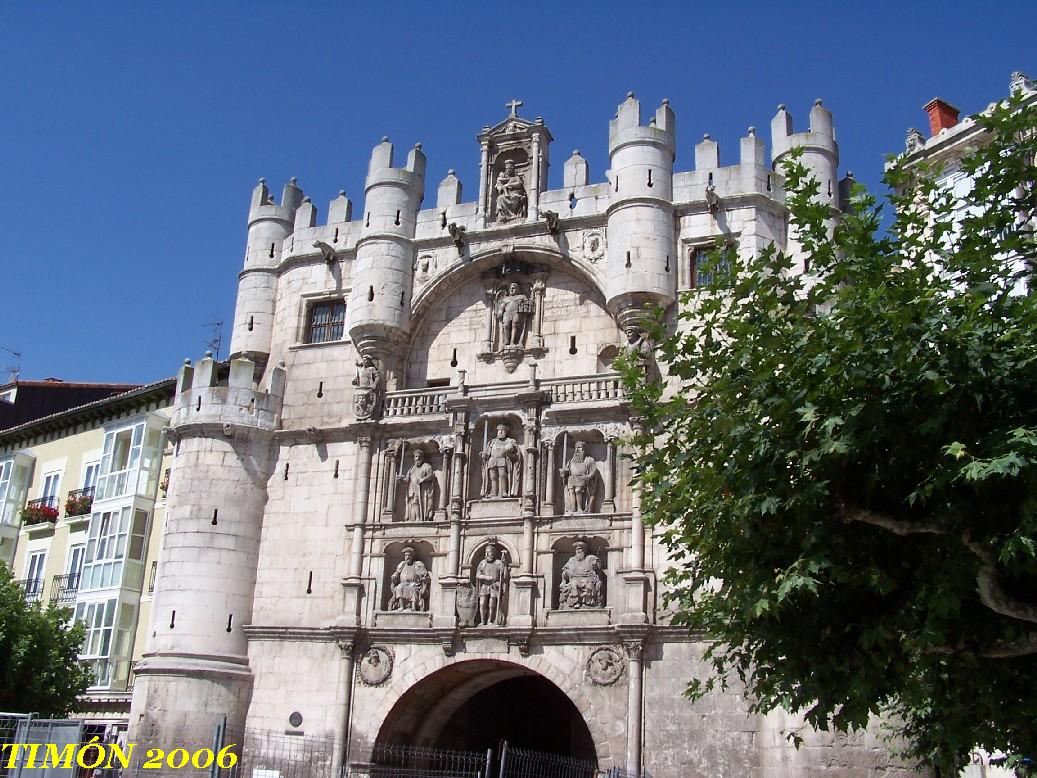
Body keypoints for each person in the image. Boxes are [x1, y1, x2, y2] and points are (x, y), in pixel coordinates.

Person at [559, 540, 604, 609]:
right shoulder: (572, 560)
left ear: (585, 550)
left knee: (588, 585)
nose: (579, 551)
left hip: (588, 580)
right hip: (574, 580)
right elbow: (565, 570)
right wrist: (566, 572)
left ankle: (587, 604)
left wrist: (596, 564)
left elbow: (599, 568)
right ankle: (576, 602)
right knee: (573, 584)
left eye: (581, 549)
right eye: (577, 549)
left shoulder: (591, 558)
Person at [481, 423, 521, 498]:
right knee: (492, 477)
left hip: (502, 460)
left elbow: (515, 454)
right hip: (492, 460)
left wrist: (510, 450)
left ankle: (503, 491)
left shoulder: (510, 441)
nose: (500, 432)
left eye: (502, 430)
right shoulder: (492, 442)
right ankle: (494, 492)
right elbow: (488, 452)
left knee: (502, 475)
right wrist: (484, 455)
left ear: (506, 432)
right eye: (499, 430)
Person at [561, 440, 598, 513]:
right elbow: (567, 470)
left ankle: (580, 509)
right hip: (571, 479)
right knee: (571, 492)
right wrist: (563, 472)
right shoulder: (571, 461)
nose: (577, 450)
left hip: (582, 478)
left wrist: (588, 476)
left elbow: (593, 470)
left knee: (578, 491)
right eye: (576, 447)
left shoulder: (589, 460)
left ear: (584, 449)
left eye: (579, 447)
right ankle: (573, 509)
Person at [475, 544, 507, 626]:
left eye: (490, 553)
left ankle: (490, 621)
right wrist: (486, 577)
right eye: (487, 553)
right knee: (482, 603)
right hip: (485, 586)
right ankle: (482, 621)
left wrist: (505, 564)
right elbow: (478, 575)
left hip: (494, 585)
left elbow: (504, 575)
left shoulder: (498, 563)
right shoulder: (482, 563)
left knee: (492, 604)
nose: (488, 555)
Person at [389, 547, 429, 611]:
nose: (407, 557)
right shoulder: (402, 564)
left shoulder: (418, 564)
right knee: (399, 587)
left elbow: (425, 575)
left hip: (415, 584)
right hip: (403, 584)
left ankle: (413, 607)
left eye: (409, 555)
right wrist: (394, 576)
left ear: (412, 556)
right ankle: (401, 606)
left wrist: (424, 579)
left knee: (412, 587)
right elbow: (396, 573)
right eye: (406, 555)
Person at [400, 449, 435, 522]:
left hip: (422, 490)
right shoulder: (412, 468)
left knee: (416, 502)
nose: (417, 458)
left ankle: (419, 518)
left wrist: (423, 479)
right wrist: (401, 479)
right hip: (412, 489)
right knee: (413, 503)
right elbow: (407, 479)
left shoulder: (427, 466)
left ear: (422, 458)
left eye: (419, 456)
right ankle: (415, 518)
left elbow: (431, 476)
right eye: (416, 456)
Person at [495, 282, 532, 347]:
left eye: (513, 288)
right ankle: (506, 342)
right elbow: (501, 308)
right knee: (506, 326)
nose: (511, 290)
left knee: (514, 326)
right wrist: (500, 313)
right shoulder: (506, 299)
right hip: (507, 314)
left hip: (516, 312)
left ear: (517, 289)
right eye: (510, 289)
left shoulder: (522, 296)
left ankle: (512, 341)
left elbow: (527, 304)